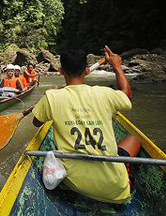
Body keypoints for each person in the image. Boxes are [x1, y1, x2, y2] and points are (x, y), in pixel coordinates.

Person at [31, 46, 141, 205]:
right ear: (87, 71)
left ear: (61, 71)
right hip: (116, 191)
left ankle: (70, 190)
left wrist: (50, 103)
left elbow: (36, 122)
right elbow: (127, 96)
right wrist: (117, 66)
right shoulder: (104, 93)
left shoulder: (51, 97)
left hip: (76, 184)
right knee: (134, 140)